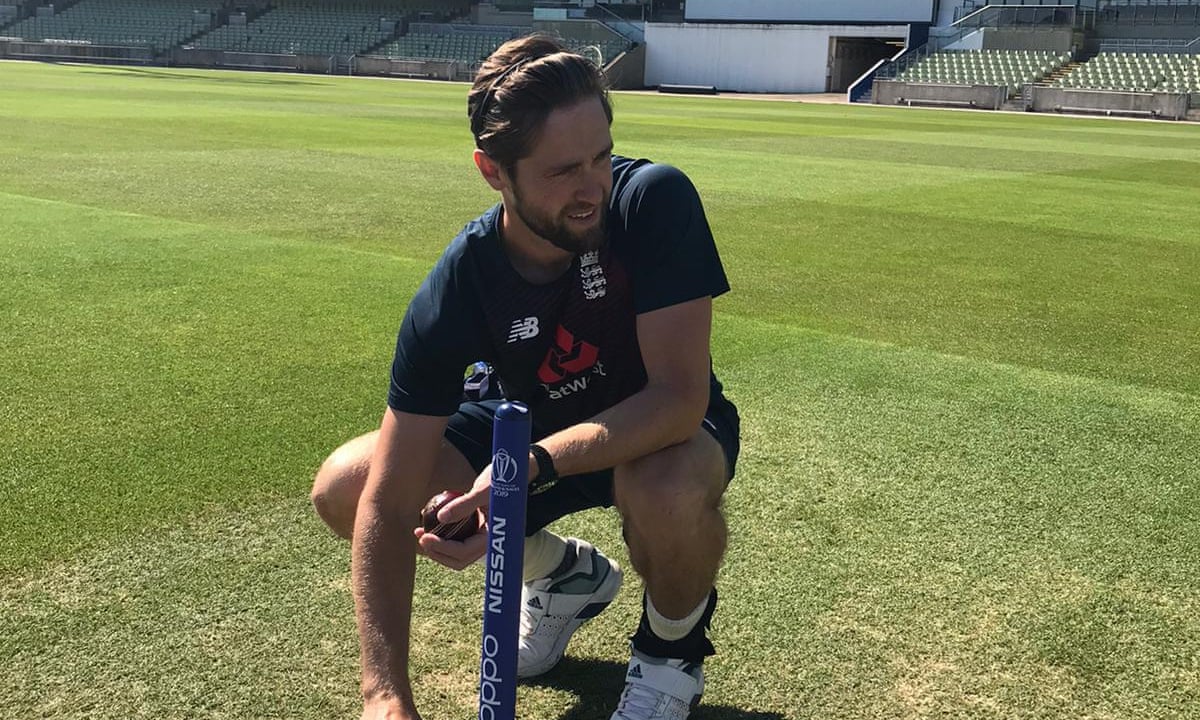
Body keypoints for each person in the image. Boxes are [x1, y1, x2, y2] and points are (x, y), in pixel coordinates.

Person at [310, 34, 740, 720]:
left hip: (655, 432)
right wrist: (383, 695)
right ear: (493, 172)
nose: (591, 188)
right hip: (531, 434)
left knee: (665, 484)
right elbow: (388, 501)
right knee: (346, 486)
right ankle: (561, 574)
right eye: (563, 169)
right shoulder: (464, 280)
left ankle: (669, 655)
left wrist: (528, 469)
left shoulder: (653, 201)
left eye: (601, 156)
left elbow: (678, 401)